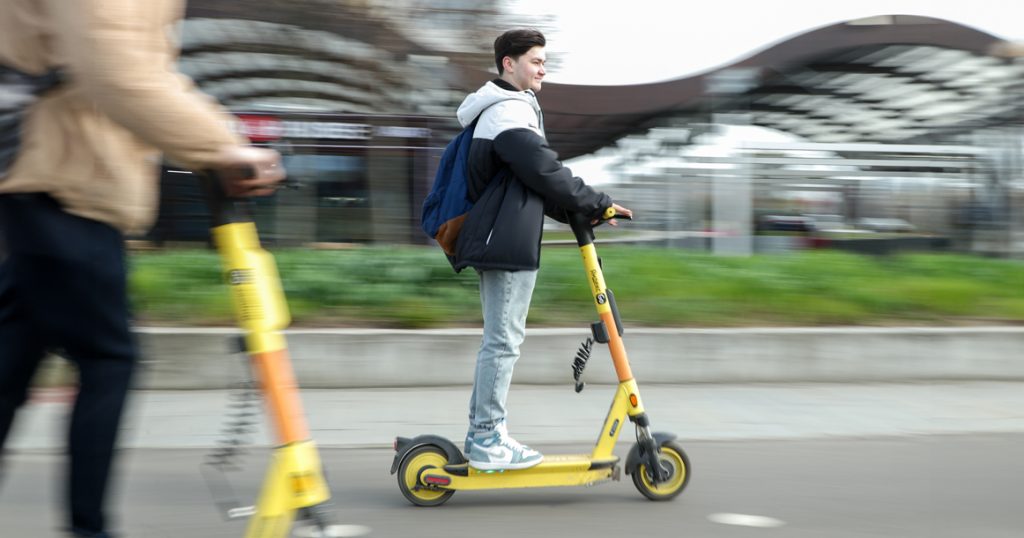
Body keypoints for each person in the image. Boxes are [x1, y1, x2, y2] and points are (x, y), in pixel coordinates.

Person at [0, 1, 285, 536]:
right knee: (107, 357)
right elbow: (116, 68)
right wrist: (222, 147)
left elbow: (142, 69)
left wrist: (219, 138)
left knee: (12, 364)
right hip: (66, 178)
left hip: (50, 176)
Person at [454, 29, 632, 471]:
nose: (543, 68)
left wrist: (585, 212)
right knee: (503, 342)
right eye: (535, 60)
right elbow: (546, 172)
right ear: (508, 64)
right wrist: (595, 200)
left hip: (503, 238)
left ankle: (483, 433)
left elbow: (531, 185)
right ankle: (486, 438)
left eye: (544, 60)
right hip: (504, 243)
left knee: (500, 341)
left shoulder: (506, 110)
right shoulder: (507, 111)